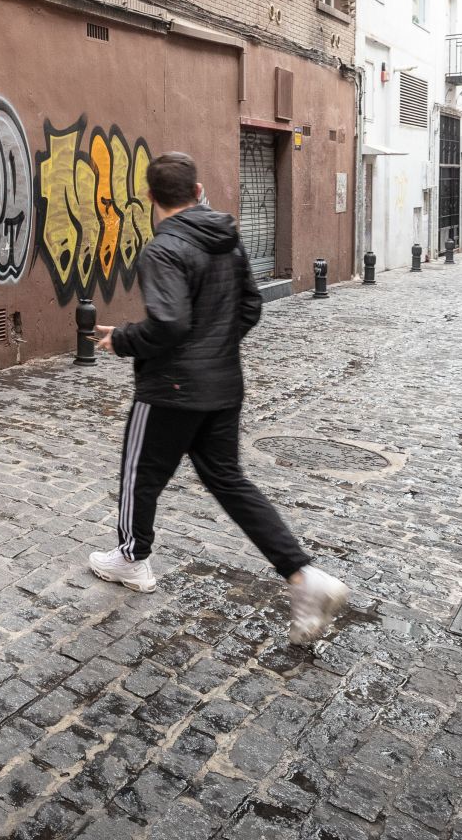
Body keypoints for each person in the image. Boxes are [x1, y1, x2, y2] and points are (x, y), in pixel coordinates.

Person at [88, 150, 348, 645]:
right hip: (223, 384)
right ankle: (304, 577)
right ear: (198, 191)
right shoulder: (227, 239)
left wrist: (121, 339)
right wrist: (213, 347)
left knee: (139, 474)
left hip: (169, 389)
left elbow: (169, 322)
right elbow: (250, 306)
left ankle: (131, 558)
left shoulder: (162, 250)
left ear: (149, 198)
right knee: (230, 482)